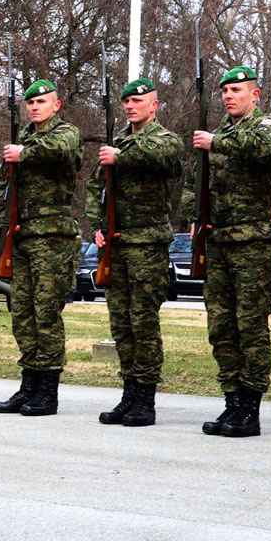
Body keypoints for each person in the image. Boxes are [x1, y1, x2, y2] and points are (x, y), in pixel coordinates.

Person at [192, 67, 271, 438]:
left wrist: (216, 143)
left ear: (255, 95)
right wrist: (194, 215)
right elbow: (196, 180)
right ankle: (231, 401)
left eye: (236, 90)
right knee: (221, 327)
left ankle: (250, 408)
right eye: (225, 91)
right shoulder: (217, 134)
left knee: (250, 326)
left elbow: (270, 153)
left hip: (250, 241)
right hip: (217, 240)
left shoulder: (265, 127)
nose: (229, 96)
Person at [85, 77, 184, 427]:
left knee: (143, 322)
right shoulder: (118, 143)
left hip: (146, 245)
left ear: (154, 105)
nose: (130, 106)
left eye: (138, 102)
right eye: (126, 101)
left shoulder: (163, 139)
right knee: (121, 324)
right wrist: (97, 225)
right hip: (117, 244)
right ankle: (129, 392)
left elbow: (166, 158)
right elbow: (96, 187)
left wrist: (121, 156)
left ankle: (146, 398)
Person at [0, 79, 83, 417]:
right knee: (23, 313)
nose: (34, 107)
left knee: (45, 313)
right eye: (30, 103)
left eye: (41, 102)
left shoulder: (65, 133)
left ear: (55, 105)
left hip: (52, 237)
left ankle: (48, 390)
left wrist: (23, 154)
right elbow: (4, 189)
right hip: (22, 235)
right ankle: (28, 383)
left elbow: (61, 151)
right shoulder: (24, 140)